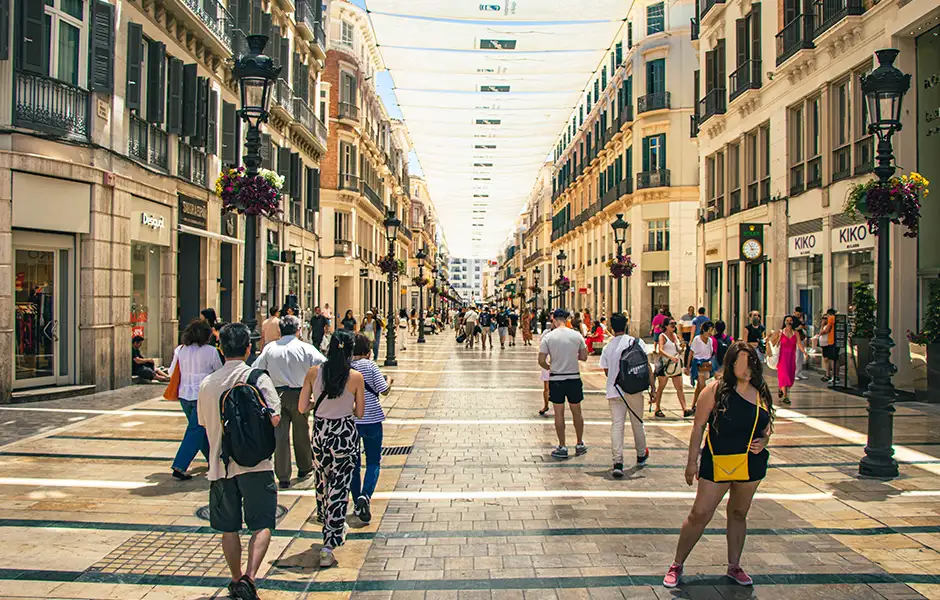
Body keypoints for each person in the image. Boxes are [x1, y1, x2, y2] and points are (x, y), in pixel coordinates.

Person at [663, 342, 773, 588]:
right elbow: (698, 426)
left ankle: (734, 565)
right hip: (718, 459)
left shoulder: (760, 391)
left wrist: (765, 441)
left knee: (738, 513)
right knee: (700, 513)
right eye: (741, 361)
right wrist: (692, 462)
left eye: (751, 361)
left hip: (751, 462)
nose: (747, 367)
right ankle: (677, 563)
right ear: (731, 363)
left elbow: (765, 426)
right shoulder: (714, 390)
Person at [197, 323, 282, 600]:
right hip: (256, 465)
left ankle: (235, 579)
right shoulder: (257, 377)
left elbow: (202, 422)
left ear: (221, 349)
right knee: (262, 522)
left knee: (229, 527)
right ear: (248, 348)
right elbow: (275, 417)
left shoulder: (207, 384)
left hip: (220, 466)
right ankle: (250, 577)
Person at [298, 330, 365, 568]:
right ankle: (330, 540)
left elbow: (302, 407)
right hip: (344, 434)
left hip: (321, 433)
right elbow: (360, 413)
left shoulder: (314, 373)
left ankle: (327, 523)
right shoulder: (355, 377)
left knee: (323, 481)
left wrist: (319, 402)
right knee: (340, 485)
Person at [253, 315, 325, 489]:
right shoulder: (305, 348)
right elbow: (324, 363)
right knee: (302, 431)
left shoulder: (270, 348)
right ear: (298, 330)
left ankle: (283, 475)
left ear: (280, 330)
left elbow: (256, 368)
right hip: (300, 393)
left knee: (280, 436)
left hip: (276, 394)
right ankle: (304, 466)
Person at [169, 319, 223, 480]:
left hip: (184, 394)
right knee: (196, 429)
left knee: (199, 429)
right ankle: (180, 465)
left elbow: (172, 371)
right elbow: (219, 371)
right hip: (203, 395)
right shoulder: (210, 351)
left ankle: (213, 459)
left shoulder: (181, 350)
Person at [600, 313, 650, 477]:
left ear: (612, 327)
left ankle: (618, 461)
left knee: (617, 425)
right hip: (635, 390)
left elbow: (607, 371)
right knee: (637, 423)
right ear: (626, 325)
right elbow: (646, 365)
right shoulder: (636, 342)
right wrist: (653, 386)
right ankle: (641, 454)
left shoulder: (608, 347)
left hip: (615, 391)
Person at [350, 334, 391, 524]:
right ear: (368, 351)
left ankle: (357, 499)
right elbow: (383, 389)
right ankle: (365, 496)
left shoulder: (346, 367)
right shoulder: (370, 365)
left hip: (351, 420)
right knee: (373, 460)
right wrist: (389, 380)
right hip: (373, 418)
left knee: (354, 462)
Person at [538, 308, 589, 459]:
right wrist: (571, 358)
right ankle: (579, 443)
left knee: (559, 413)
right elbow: (584, 357)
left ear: (553, 319)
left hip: (556, 379)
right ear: (567, 319)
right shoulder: (576, 335)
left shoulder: (549, 337)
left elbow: (541, 360)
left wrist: (551, 367)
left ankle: (562, 446)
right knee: (577, 412)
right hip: (573, 377)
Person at [653, 318, 691, 418]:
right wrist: (670, 357)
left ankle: (684, 409)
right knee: (661, 387)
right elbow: (660, 350)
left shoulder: (675, 336)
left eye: (674, 323)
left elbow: (678, 350)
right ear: (666, 326)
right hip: (665, 364)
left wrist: (682, 348)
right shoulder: (662, 336)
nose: (674, 325)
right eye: (671, 324)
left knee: (680, 388)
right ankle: (657, 408)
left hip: (675, 365)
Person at [770, 315, 806, 405]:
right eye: (787, 320)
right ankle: (786, 397)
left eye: (790, 320)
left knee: (790, 377)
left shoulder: (796, 333)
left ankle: (781, 388)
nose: (789, 322)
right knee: (784, 376)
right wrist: (778, 337)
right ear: (784, 322)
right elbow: (773, 343)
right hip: (782, 358)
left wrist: (804, 352)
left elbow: (799, 344)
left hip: (791, 358)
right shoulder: (781, 332)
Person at [689, 321, 715, 410]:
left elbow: (711, 353)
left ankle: (694, 404)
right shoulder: (697, 339)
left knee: (699, 388)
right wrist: (688, 366)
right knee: (703, 386)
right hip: (698, 365)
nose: (710, 333)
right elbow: (691, 352)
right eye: (709, 330)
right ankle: (703, 406)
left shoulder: (710, 340)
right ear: (704, 330)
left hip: (707, 365)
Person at [820, 308, 839, 384]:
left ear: (829, 314)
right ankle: (836, 376)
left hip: (832, 341)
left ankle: (834, 376)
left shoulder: (831, 318)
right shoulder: (837, 319)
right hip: (837, 340)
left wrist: (823, 327)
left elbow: (826, 330)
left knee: (832, 359)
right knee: (835, 359)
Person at [792, 307, 808, 380]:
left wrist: (802, 323)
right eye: (797, 313)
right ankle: (794, 373)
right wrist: (799, 328)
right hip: (795, 340)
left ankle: (799, 372)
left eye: (800, 313)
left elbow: (805, 327)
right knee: (796, 357)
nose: (798, 314)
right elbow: (792, 329)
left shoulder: (801, 319)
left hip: (801, 339)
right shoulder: (792, 319)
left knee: (800, 357)